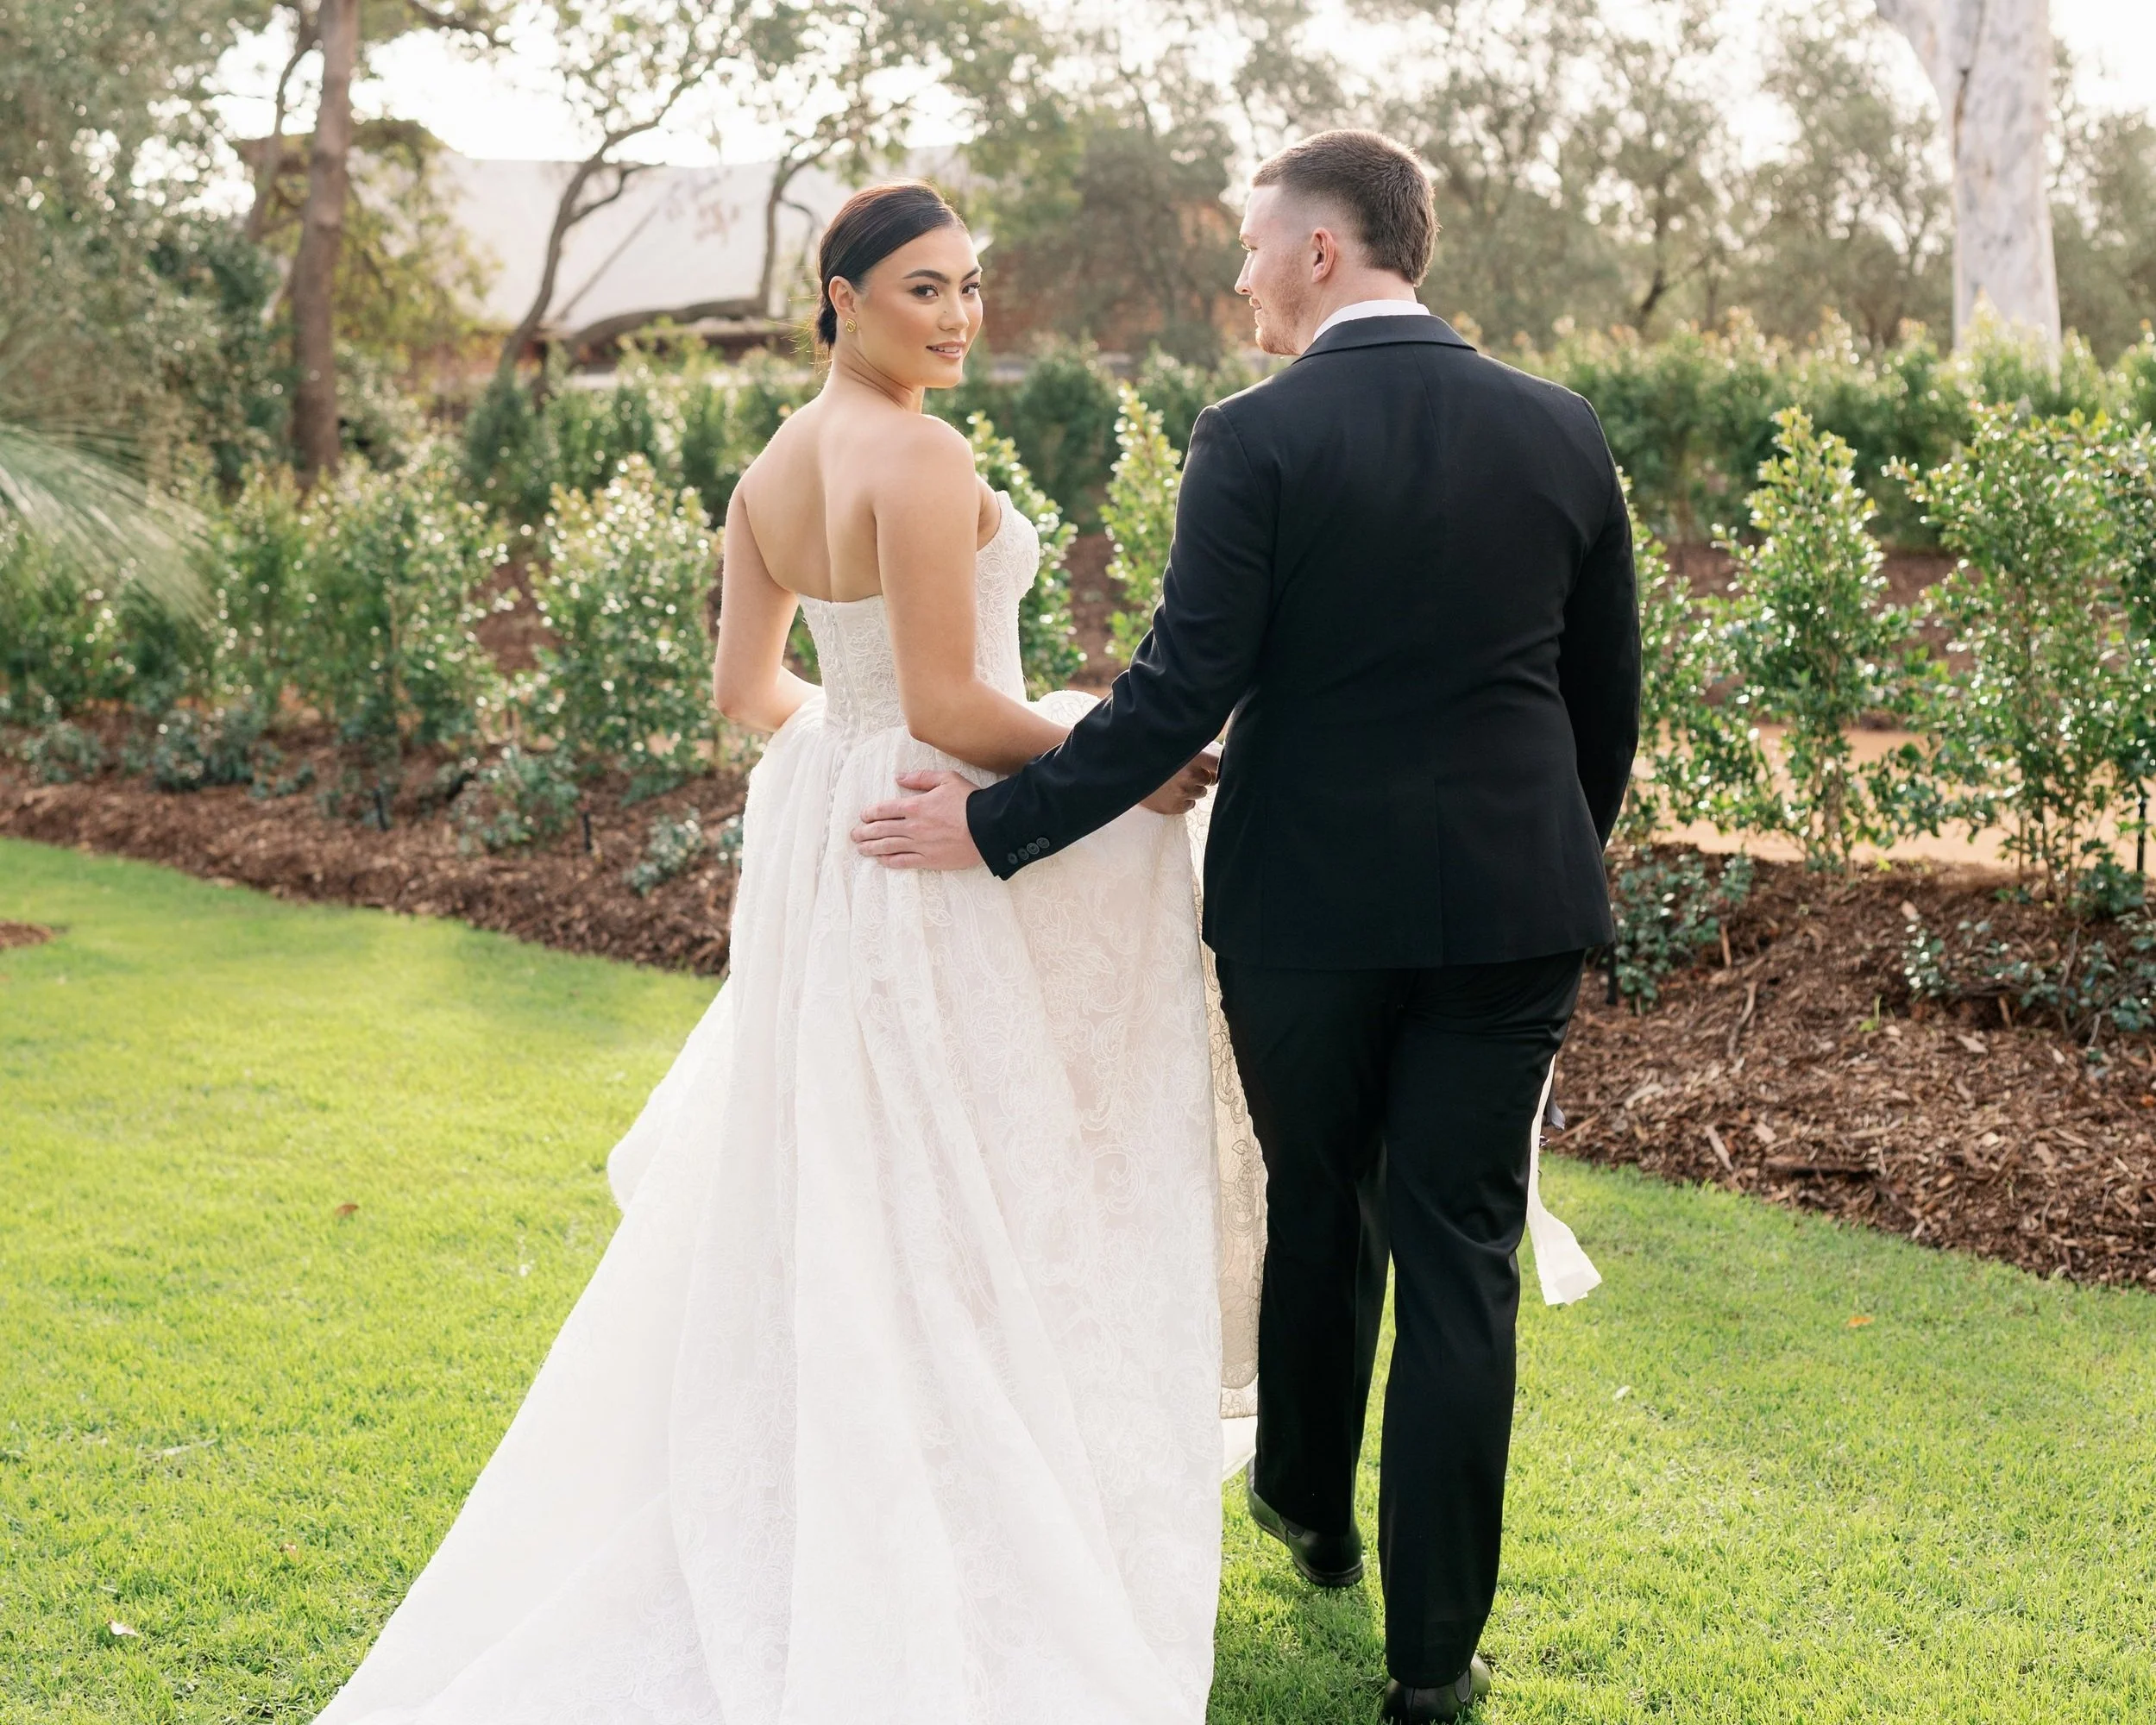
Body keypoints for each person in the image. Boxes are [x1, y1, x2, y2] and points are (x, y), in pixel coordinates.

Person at [315, 180, 1229, 1725]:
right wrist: (1124, 764)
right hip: (929, 840)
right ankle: (954, 1481)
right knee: (953, 1169)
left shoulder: (769, 469)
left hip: (839, 843)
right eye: (924, 288)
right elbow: (948, 704)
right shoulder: (921, 457)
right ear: (842, 297)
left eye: (971, 287)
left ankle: (858, 1455)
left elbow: (752, 692)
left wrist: (851, 749)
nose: (958, 316)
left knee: (862, 1164)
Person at [852, 131, 1639, 1723]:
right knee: (1462, 1254)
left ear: (1321, 253)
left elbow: (1175, 696)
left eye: (1251, 245)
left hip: (1303, 911)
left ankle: (1307, 1509)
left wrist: (993, 828)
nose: (1239, 276)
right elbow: (1601, 702)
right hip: (1512, 914)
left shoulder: (1253, 436)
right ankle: (1433, 1662)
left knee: (1317, 1199)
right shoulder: (1560, 426)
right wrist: (1544, 859)